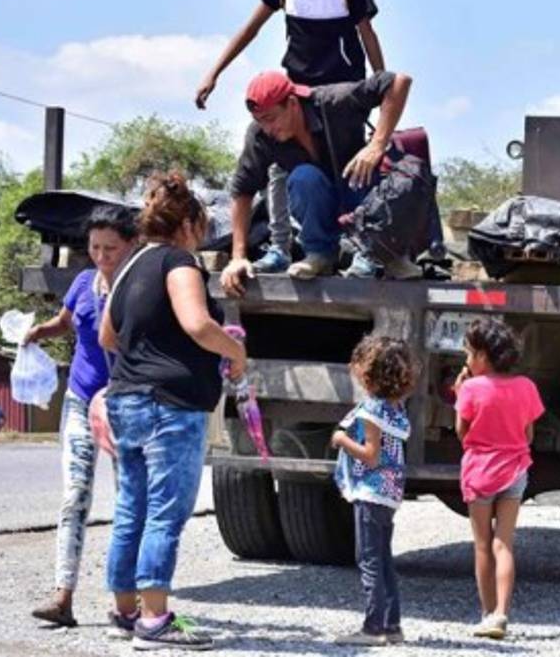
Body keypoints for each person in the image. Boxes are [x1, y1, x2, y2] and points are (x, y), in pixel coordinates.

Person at [91, 172, 247, 649]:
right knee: (165, 512)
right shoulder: (180, 264)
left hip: (127, 399)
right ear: (191, 224)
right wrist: (235, 354)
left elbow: (107, 337)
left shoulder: (130, 265)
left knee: (131, 507)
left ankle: (125, 611)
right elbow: (198, 323)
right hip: (170, 406)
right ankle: (156, 620)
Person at [195, 0, 386, 276]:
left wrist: (375, 84)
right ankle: (281, 248)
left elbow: (366, 31)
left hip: (341, 92)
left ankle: (362, 248)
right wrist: (214, 72)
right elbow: (250, 28)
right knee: (280, 167)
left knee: (352, 164)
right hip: (298, 89)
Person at [25, 207, 137, 628]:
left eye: (110, 248)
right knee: (74, 497)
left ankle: (127, 602)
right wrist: (39, 333)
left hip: (125, 410)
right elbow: (67, 323)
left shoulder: (137, 288)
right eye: (94, 248)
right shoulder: (82, 284)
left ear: (130, 245)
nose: (102, 256)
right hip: (79, 400)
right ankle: (62, 596)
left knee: (129, 503)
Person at [220, 69, 413, 290]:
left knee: (367, 171)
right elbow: (242, 191)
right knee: (303, 177)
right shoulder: (261, 136)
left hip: (360, 194)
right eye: (259, 121)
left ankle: (376, 254)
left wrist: (377, 145)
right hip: (322, 204)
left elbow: (398, 82)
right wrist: (237, 257)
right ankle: (320, 254)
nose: (267, 128)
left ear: (292, 103)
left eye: (271, 119)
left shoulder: (335, 100)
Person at [454, 319, 544, 640]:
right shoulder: (526, 386)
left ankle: (486, 613)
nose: (466, 359)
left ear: (481, 355)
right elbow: (528, 433)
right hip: (516, 469)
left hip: (480, 471)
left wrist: (461, 389)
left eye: (468, 353)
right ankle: (503, 614)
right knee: (504, 544)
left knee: (481, 546)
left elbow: (462, 434)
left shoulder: (470, 388)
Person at [330, 335, 415, 646]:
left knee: (368, 559)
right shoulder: (396, 408)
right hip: (390, 493)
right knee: (383, 559)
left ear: (366, 375)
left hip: (370, 490)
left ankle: (373, 626)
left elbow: (370, 454)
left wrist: (341, 440)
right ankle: (392, 625)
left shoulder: (370, 411)